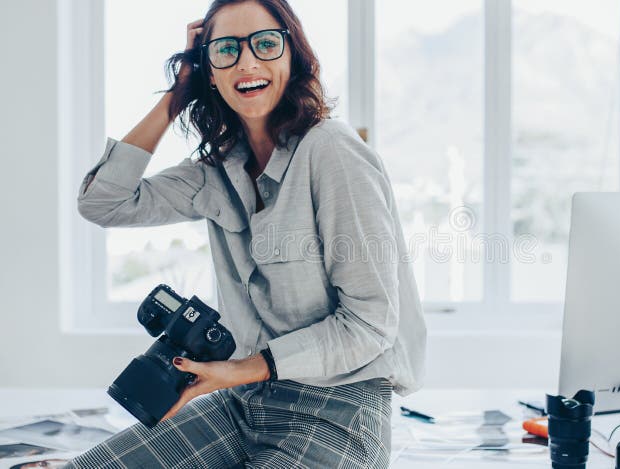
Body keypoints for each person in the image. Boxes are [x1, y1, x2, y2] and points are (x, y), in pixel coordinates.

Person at [66, 0, 426, 467]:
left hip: (339, 412)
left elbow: (370, 324)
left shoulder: (332, 152)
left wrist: (236, 370)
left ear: (292, 55)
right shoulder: (216, 170)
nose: (248, 62)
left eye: (265, 43)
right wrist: (177, 95)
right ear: (208, 71)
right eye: (226, 50)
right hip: (243, 405)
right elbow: (103, 202)